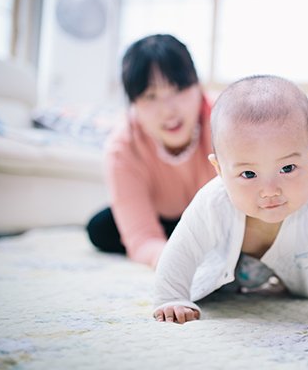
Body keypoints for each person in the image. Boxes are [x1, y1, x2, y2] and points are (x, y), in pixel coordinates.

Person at [152, 75, 308, 339]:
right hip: (233, 281)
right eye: (249, 174)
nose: (270, 190)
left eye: (287, 168)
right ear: (219, 170)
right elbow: (182, 247)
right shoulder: (212, 202)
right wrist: (172, 297)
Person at [86, 34, 216, 268]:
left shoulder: (226, 120)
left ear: (199, 87)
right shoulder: (122, 147)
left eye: (178, 89)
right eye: (150, 96)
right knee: (100, 228)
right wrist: (176, 262)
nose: (169, 110)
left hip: (216, 217)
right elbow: (142, 238)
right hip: (162, 217)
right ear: (133, 104)